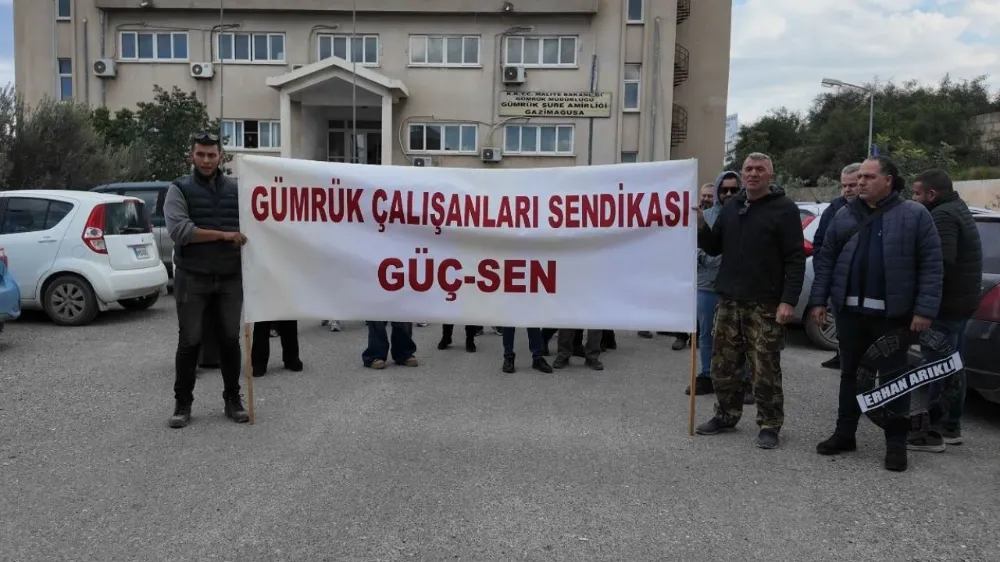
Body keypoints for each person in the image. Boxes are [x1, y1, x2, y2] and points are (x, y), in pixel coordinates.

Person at [809, 157, 943, 472]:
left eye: (869, 177)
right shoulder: (845, 214)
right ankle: (845, 433)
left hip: (891, 317)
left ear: (888, 180)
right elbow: (826, 260)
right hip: (851, 313)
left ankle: (896, 444)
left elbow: (931, 266)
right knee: (850, 375)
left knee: (894, 379)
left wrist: (924, 311)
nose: (861, 182)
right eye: (859, 177)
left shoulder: (914, 215)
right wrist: (818, 302)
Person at [693, 152, 805, 450]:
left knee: (764, 368)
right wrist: (701, 225)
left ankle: (769, 424)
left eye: (760, 169)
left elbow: (795, 259)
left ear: (770, 175)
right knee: (724, 365)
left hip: (765, 303)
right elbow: (714, 247)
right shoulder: (733, 206)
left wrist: (788, 300)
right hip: (730, 300)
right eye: (748, 169)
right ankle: (726, 415)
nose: (753, 174)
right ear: (742, 174)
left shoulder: (785, 209)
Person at [163, 132, 249, 428]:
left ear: (220, 157)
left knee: (230, 340)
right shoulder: (178, 189)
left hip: (230, 277)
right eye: (200, 154)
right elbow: (180, 231)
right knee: (190, 341)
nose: (206, 160)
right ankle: (182, 404)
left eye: (211, 155)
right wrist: (224, 235)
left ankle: (233, 399)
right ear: (192, 156)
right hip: (193, 277)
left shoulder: (238, 189)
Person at [907, 168, 982, 450]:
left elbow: (939, 262)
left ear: (931, 194)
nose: (913, 198)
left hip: (945, 307)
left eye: (916, 193)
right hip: (960, 304)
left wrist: (921, 301)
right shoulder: (957, 208)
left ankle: (934, 430)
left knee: (937, 368)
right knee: (952, 364)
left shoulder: (942, 216)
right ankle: (951, 426)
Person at [688, 174, 753, 404]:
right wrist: (710, 258)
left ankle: (745, 380)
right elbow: (693, 246)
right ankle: (707, 375)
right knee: (707, 333)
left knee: (741, 336)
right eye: (724, 190)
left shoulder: (746, 214)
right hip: (707, 284)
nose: (728, 194)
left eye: (733, 190)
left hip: (737, 286)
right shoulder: (705, 216)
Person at [813, 163, 862, 370]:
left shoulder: (880, 210)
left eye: (852, 185)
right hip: (838, 281)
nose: (848, 190)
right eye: (844, 186)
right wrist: (824, 270)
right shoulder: (834, 209)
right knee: (842, 324)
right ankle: (842, 356)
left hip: (863, 283)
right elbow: (819, 244)